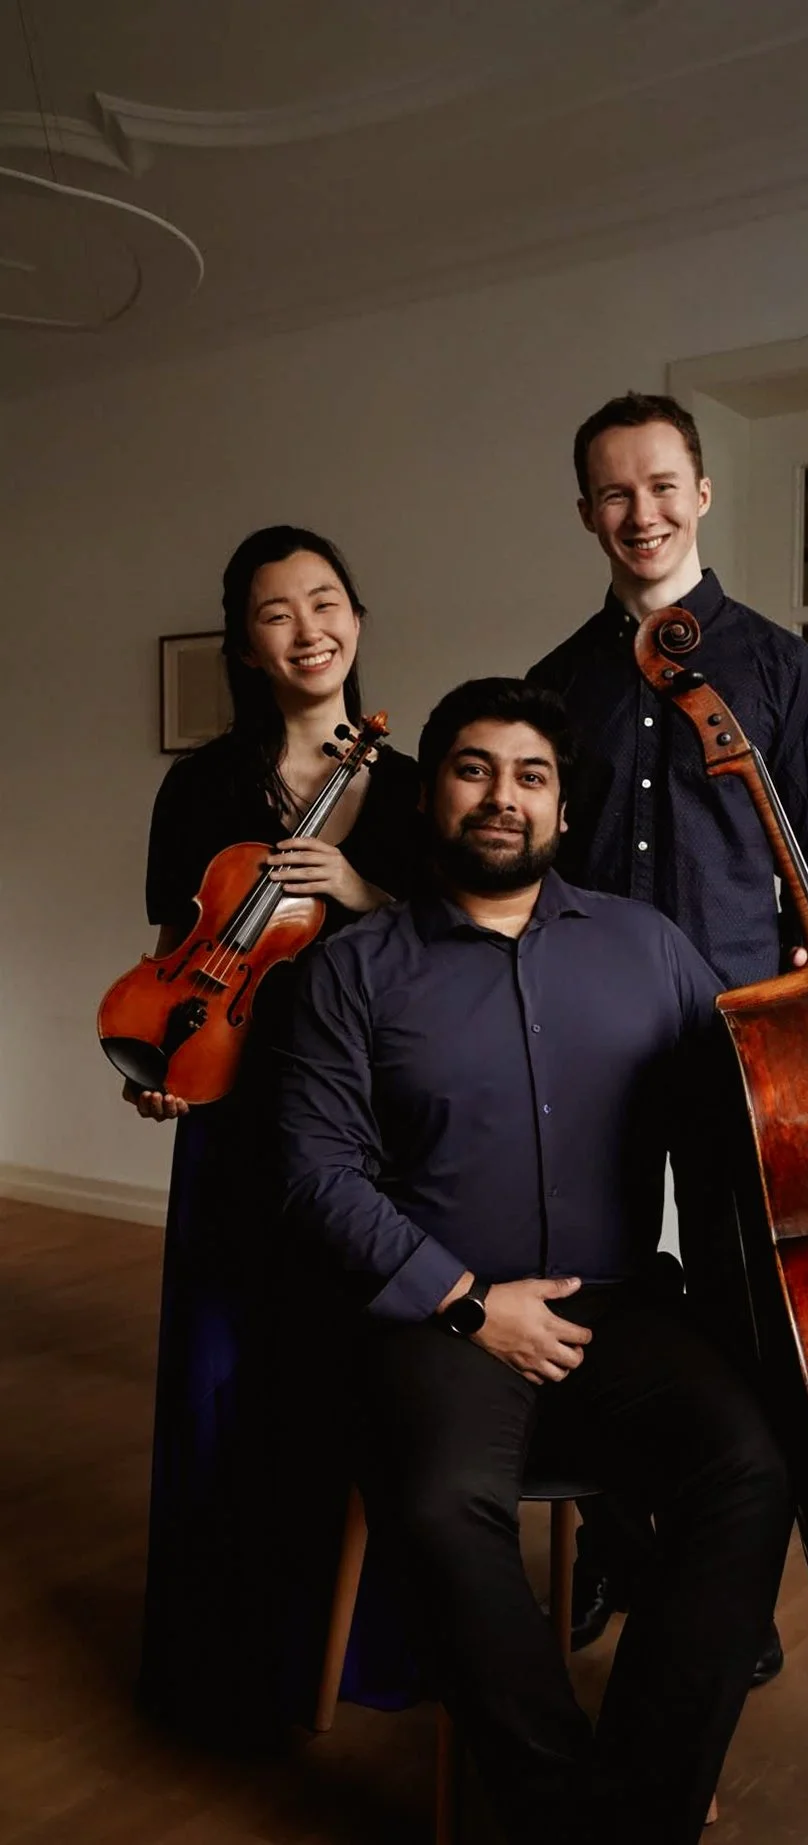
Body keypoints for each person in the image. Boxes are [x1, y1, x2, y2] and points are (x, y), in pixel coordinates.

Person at [279, 676, 793, 1845]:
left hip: (619, 1310)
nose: (501, 797)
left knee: (750, 1466)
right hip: (440, 1317)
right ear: (430, 794)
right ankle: (564, 1813)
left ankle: (643, 1807)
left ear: (563, 808)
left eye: (530, 775)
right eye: (472, 768)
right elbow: (316, 1174)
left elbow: (748, 1107)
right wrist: (466, 1305)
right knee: (438, 1499)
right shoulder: (356, 969)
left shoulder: (648, 947)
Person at [527, 391, 808, 1658]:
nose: (643, 511)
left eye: (663, 484)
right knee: (587, 1296)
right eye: (615, 492)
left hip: (743, 1037)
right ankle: (625, 1542)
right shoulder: (557, 683)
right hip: (584, 1039)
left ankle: (729, 1586)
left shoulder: (778, 665)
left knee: (747, 1308)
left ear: (703, 493)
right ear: (586, 512)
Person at [130, 524, 421, 1743]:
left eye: (325, 601)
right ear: (244, 643)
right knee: (219, 1384)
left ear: (358, 614)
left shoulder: (408, 791)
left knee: (356, 1389)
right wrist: (161, 1064)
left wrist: (357, 891)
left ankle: (363, 1656)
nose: (309, 630)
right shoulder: (201, 786)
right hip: (235, 1117)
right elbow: (175, 954)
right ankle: (220, 1663)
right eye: (274, 612)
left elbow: (451, 957)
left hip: (364, 1129)